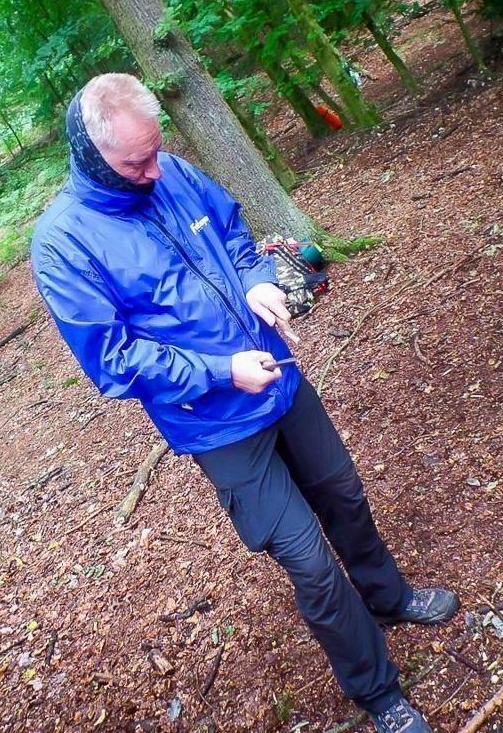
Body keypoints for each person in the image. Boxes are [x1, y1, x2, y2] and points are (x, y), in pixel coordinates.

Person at [31, 73, 459, 733]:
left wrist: (258, 281)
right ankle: (377, 692)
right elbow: (112, 360)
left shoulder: (172, 172)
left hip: (279, 378)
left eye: (155, 152)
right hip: (216, 422)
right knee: (309, 563)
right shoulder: (63, 243)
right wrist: (220, 371)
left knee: (344, 495)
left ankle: (389, 596)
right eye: (135, 164)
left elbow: (232, 233)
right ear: (91, 154)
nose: (153, 172)